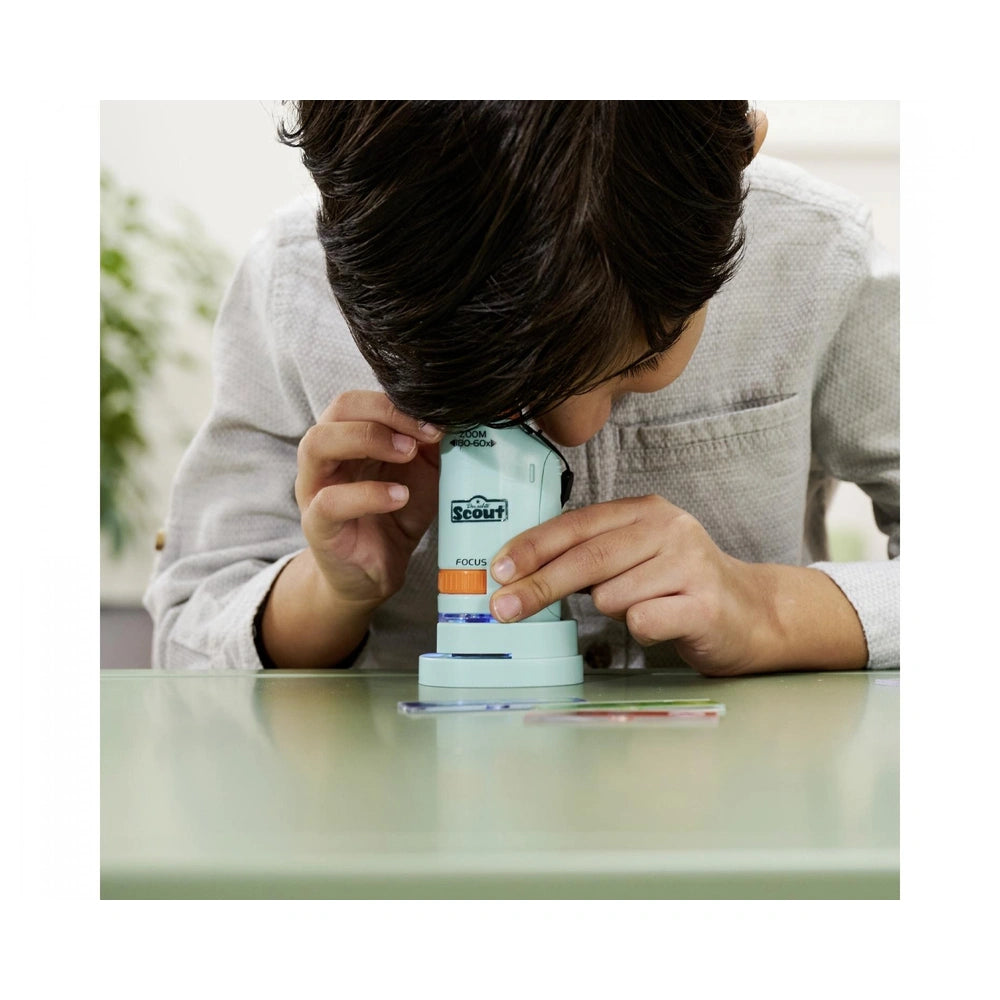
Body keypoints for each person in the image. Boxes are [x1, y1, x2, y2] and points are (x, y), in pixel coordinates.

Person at [144, 101, 899, 677]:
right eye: (498, 395)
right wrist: (331, 594)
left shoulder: (819, 258)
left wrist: (775, 611)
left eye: (646, 357)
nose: (573, 430)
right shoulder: (294, 286)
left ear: (738, 164)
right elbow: (185, 633)